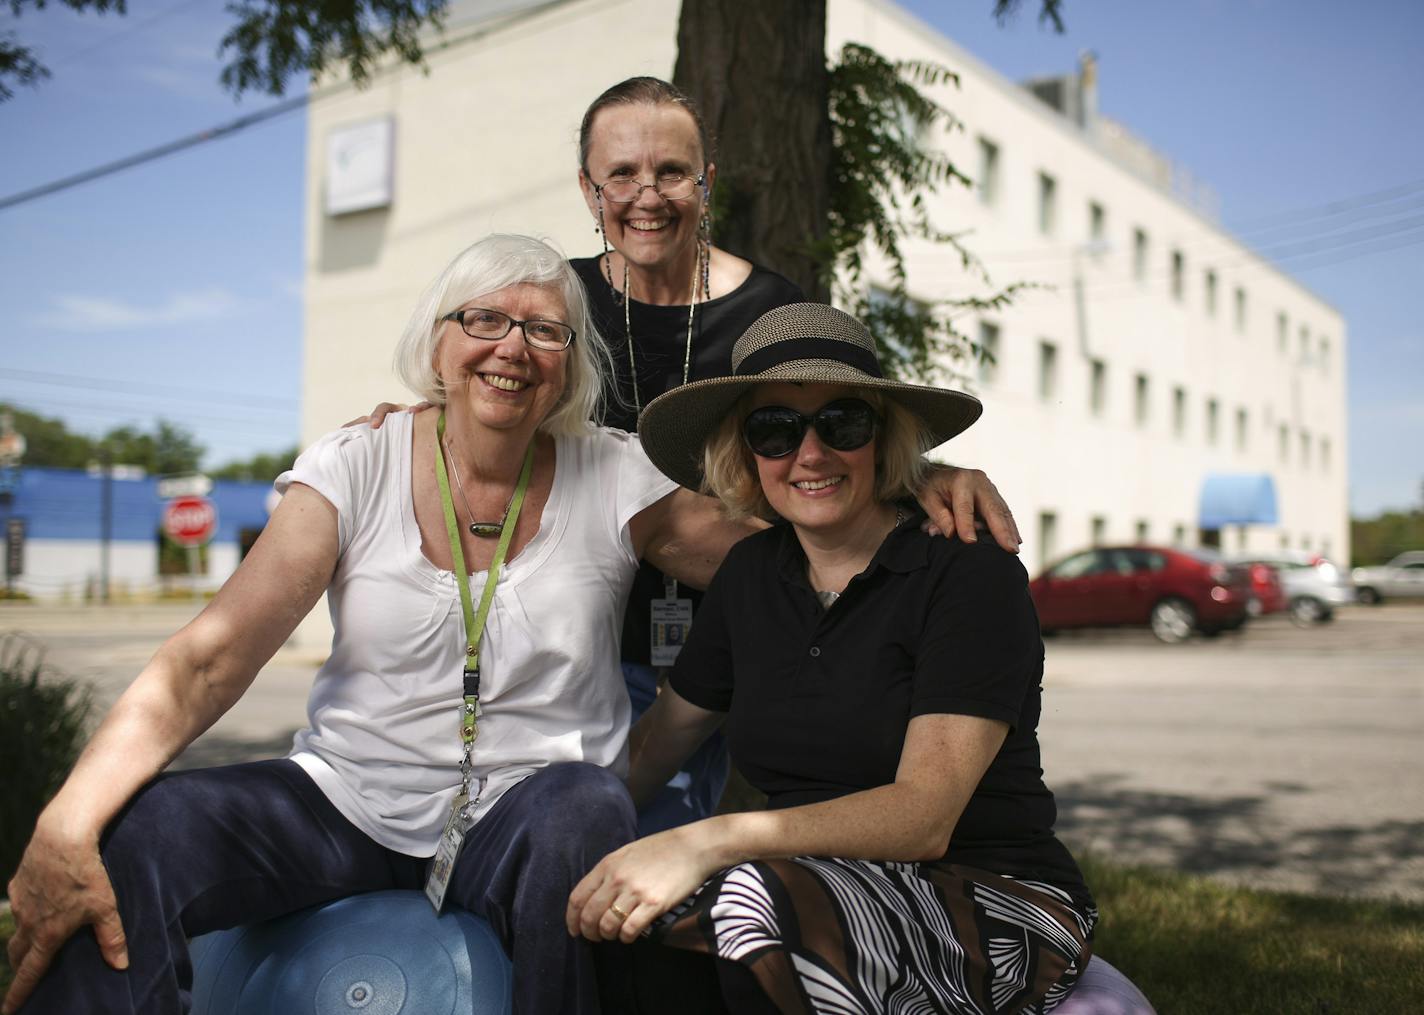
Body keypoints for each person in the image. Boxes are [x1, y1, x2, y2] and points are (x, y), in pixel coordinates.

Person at [1, 234, 759, 1015]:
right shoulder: (356, 462)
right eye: (485, 319)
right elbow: (207, 660)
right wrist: (69, 816)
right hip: (350, 803)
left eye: (545, 330)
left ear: (570, 362)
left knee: (586, 805)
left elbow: (773, 563)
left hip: (525, 814)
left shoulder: (615, 472)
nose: (514, 347)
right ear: (439, 343)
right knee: (142, 829)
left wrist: (846, 475)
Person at [367, 75, 1021, 834]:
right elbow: (487, 401)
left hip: (702, 653)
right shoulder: (558, 306)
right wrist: (418, 418)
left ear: (706, 183)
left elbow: (839, 427)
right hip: (552, 645)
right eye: (621, 174)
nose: (648, 194)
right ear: (589, 190)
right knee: (519, 850)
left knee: (639, 849)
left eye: (671, 172)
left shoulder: (772, 309)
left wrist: (928, 473)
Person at [567, 303, 1096, 1014]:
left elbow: (922, 816)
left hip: (994, 897)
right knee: (625, 906)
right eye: (775, 429)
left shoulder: (966, 572)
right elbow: (661, 740)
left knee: (748, 898)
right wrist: (561, 839)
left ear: (882, 437)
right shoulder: (752, 572)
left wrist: (712, 839)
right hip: (809, 882)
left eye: (842, 422)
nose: (810, 454)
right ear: (745, 453)